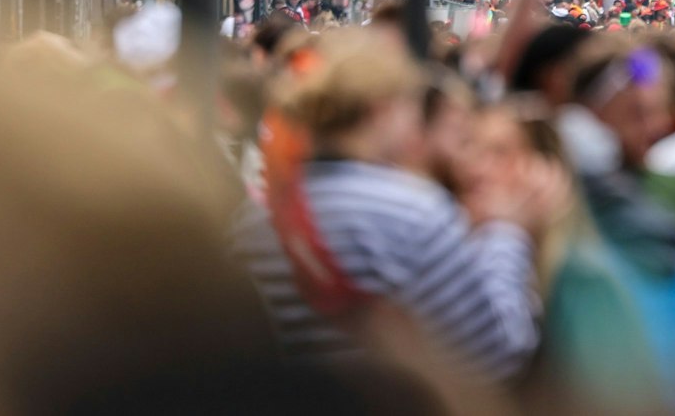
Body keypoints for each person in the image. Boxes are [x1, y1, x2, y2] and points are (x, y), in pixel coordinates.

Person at [234, 38, 561, 382]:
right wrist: (506, 234)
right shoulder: (413, 211)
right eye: (409, 109)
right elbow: (497, 352)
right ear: (382, 109)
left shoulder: (252, 221)